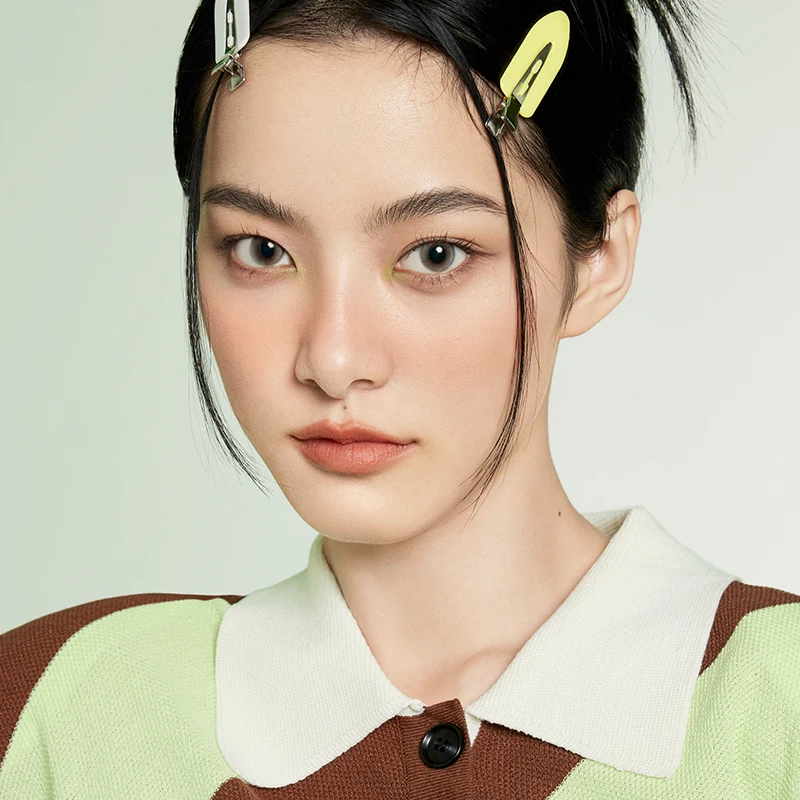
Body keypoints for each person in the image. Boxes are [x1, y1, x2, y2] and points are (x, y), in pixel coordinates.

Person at [1, 0, 798, 797]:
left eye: (436, 254)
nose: (334, 359)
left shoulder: (775, 709)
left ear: (598, 260)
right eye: (261, 250)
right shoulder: (51, 716)